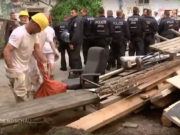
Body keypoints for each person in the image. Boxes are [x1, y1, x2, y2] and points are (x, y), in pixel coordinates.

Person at [3, 13, 49, 102]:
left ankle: (25, 108)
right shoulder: (19, 33)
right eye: (40, 29)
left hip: (24, 67)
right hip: (16, 68)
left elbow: (37, 48)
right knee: (21, 93)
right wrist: (11, 70)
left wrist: (44, 61)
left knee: (27, 89)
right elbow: (6, 50)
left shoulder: (34, 34)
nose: (40, 31)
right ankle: (24, 114)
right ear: (35, 24)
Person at [92, 7, 113, 74]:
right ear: (104, 12)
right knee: (105, 55)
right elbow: (111, 31)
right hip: (105, 40)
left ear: (98, 12)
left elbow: (92, 31)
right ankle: (102, 70)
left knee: (98, 55)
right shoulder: (108, 21)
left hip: (96, 40)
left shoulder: (94, 20)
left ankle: (98, 69)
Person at [68, 8, 83, 76]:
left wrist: (72, 43)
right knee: (77, 56)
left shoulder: (77, 20)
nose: (71, 14)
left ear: (76, 13)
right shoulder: (73, 20)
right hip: (75, 40)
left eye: (73, 12)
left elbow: (76, 33)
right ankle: (79, 71)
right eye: (71, 12)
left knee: (75, 57)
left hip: (76, 41)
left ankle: (76, 73)